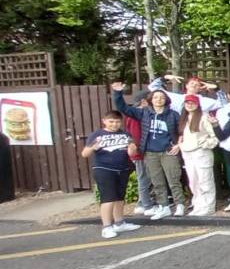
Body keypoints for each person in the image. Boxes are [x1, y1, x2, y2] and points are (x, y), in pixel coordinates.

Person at [112, 82, 183, 220]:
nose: (159, 100)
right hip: (150, 153)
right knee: (157, 182)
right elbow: (123, 108)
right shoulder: (144, 113)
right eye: (155, 97)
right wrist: (118, 93)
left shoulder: (173, 114)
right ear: (151, 100)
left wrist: (178, 145)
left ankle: (179, 204)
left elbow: (182, 131)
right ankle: (164, 207)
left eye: (162, 97)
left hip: (168, 152)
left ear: (166, 100)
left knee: (173, 179)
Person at [81, 111, 141, 239]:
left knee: (119, 198)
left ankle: (119, 223)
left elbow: (131, 153)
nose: (114, 124)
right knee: (108, 199)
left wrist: (132, 149)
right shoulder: (97, 135)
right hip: (103, 169)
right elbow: (85, 154)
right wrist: (93, 147)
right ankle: (107, 227)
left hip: (123, 169)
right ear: (104, 121)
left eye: (117, 122)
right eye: (111, 121)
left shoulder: (125, 134)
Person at [177, 94, 219, 216]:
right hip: (188, 153)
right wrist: (181, 145)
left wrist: (206, 144)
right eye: (187, 103)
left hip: (202, 152)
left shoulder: (204, 117)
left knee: (205, 180)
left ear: (197, 104)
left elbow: (214, 137)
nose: (190, 105)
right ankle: (198, 204)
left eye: (192, 103)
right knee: (193, 182)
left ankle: (208, 206)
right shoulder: (184, 118)